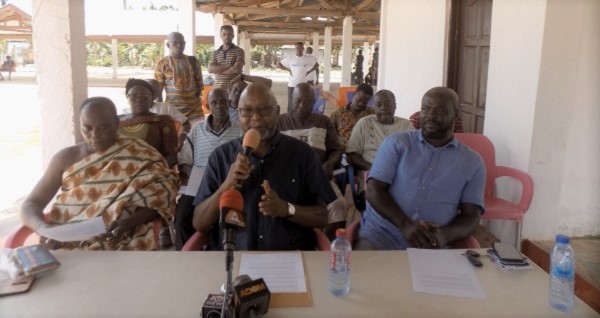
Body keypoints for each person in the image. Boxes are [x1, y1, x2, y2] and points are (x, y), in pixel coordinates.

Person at [20, 97, 179, 250]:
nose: (94, 135)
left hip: (119, 239)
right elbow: (31, 204)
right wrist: (42, 228)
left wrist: (130, 221)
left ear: (117, 123)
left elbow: (162, 193)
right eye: (87, 128)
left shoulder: (139, 153)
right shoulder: (64, 158)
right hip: (62, 242)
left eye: (103, 127)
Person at [192, 83, 336, 251]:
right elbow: (199, 223)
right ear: (238, 115)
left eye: (264, 110)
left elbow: (322, 217)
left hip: (288, 258)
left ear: (277, 111)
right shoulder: (220, 157)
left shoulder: (302, 155)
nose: (255, 118)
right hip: (233, 258)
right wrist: (226, 186)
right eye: (246, 111)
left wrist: (287, 209)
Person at [356, 87, 485, 250]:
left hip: (431, 245)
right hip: (381, 236)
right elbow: (374, 190)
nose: (430, 115)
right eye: (426, 108)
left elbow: (471, 215)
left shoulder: (472, 162)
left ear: (456, 115)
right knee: (364, 274)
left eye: (440, 111)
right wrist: (405, 225)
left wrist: (444, 235)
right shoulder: (396, 144)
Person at [175, 88, 243, 249]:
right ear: (207, 106)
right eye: (214, 102)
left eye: (223, 102)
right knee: (182, 218)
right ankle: (185, 260)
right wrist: (201, 178)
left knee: (227, 220)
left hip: (228, 183)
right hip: (199, 185)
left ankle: (216, 251)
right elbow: (184, 162)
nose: (219, 106)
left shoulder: (240, 130)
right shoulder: (197, 130)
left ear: (229, 104)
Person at [278, 83, 346, 240]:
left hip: (319, 175)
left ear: (315, 101)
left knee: (338, 205)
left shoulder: (324, 121)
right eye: (298, 100)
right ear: (291, 99)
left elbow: (336, 150)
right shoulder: (280, 122)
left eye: (308, 101)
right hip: (288, 177)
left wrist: (329, 164)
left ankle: (325, 243)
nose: (302, 105)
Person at [346, 90, 415, 171]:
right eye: (379, 105)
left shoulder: (406, 125)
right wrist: (373, 169)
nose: (383, 108)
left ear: (395, 106)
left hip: (402, 172)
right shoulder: (364, 123)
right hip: (372, 172)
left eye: (387, 104)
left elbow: (416, 152)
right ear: (374, 107)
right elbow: (352, 154)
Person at [118, 78, 179, 168]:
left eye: (145, 96)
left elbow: (172, 157)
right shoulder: (115, 121)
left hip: (151, 174)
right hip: (117, 171)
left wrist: (151, 171)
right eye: (133, 96)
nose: (139, 100)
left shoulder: (163, 122)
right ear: (127, 98)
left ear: (152, 100)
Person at [154, 32, 204, 122]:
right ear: (168, 45)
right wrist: (161, 112)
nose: (179, 45)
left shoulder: (193, 61)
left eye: (181, 43)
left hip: (195, 112)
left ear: (184, 44)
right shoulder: (162, 64)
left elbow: (199, 85)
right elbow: (158, 91)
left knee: (196, 135)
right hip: (173, 112)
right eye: (174, 43)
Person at [329, 83, 375, 150]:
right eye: (358, 100)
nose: (361, 104)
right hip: (343, 151)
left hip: (365, 151)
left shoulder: (372, 114)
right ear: (353, 94)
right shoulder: (338, 113)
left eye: (365, 102)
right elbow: (329, 134)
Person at [277, 42, 319, 111]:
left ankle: (299, 117)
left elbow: (317, 65)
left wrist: (309, 71)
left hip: (303, 85)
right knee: (291, 102)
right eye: (297, 48)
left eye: (300, 48)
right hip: (292, 85)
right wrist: (288, 70)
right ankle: (289, 117)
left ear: (303, 48)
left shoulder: (308, 58)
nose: (298, 50)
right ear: (295, 49)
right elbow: (278, 64)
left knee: (302, 102)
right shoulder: (290, 58)